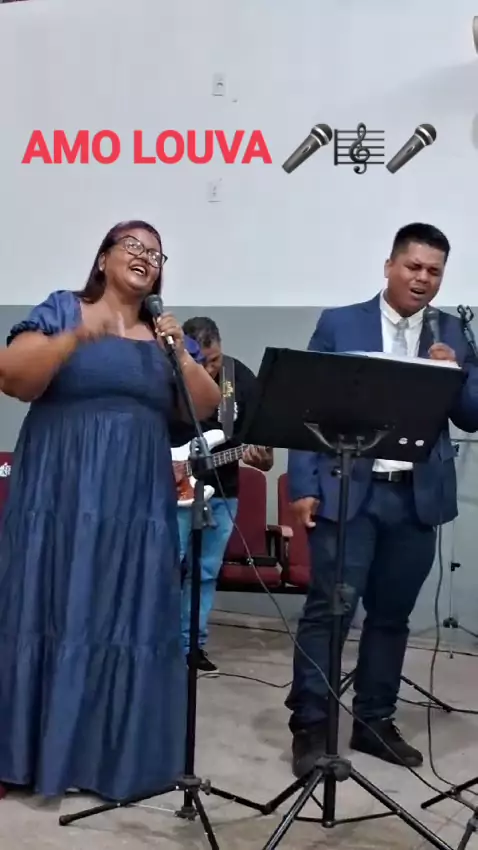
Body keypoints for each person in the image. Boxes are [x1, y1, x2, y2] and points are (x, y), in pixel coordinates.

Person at [0, 220, 221, 801]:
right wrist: (76, 338)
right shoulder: (63, 308)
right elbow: (14, 377)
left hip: (135, 500)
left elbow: (204, 406)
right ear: (103, 259)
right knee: (50, 602)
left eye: (156, 252)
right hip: (60, 490)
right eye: (133, 245)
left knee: (124, 612)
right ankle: (26, 754)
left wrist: (180, 354)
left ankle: (108, 761)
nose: (145, 256)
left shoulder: (164, 334)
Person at [286, 222, 478, 777]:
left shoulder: (454, 332)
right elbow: (306, 410)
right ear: (390, 266)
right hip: (349, 494)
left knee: (392, 617)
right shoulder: (340, 323)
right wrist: (303, 486)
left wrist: (455, 374)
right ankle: (312, 726)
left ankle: (373, 720)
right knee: (330, 613)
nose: (423, 279)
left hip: (415, 500)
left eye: (434, 271)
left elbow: (471, 415)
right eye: (413, 267)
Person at [170, 317, 273, 673]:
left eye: (214, 360)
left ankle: (191, 645)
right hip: (172, 491)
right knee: (166, 567)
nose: (210, 369)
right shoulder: (170, 376)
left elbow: (264, 450)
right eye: (202, 362)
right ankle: (156, 643)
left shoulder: (238, 379)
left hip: (223, 490)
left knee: (206, 571)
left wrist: (261, 456)